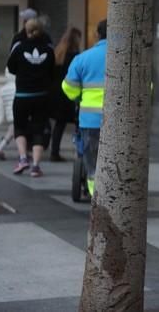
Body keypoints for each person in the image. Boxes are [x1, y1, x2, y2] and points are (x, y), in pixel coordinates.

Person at [62, 20, 107, 196]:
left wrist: (79, 96)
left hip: (91, 121)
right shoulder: (131, 57)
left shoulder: (83, 58)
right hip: (123, 123)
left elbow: (68, 87)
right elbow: (146, 88)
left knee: (92, 158)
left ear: (97, 34)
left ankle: (95, 193)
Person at [7, 18, 55, 177]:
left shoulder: (19, 48)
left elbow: (11, 68)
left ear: (26, 31)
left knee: (20, 127)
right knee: (39, 129)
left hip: (22, 95)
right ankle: (35, 166)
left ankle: (22, 158)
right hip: (42, 96)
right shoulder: (48, 49)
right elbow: (52, 71)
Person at [50, 27, 82, 161]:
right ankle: (80, 152)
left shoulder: (58, 54)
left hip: (57, 94)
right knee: (79, 124)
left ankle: (54, 152)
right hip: (70, 93)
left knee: (59, 124)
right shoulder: (75, 56)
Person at [0, 67, 16, 160]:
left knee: (12, 132)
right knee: (19, 133)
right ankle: (23, 154)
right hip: (19, 113)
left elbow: (1, 106)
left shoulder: (3, 89)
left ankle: (0, 148)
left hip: (10, 115)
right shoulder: (20, 86)